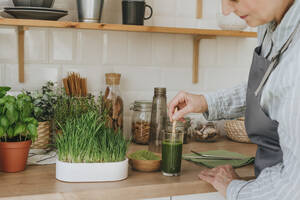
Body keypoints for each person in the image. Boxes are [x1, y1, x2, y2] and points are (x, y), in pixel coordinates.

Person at [168, 0, 300, 199]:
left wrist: (234, 188)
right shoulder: (271, 25)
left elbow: (292, 190)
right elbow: (271, 87)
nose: (225, 9)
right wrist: (206, 101)